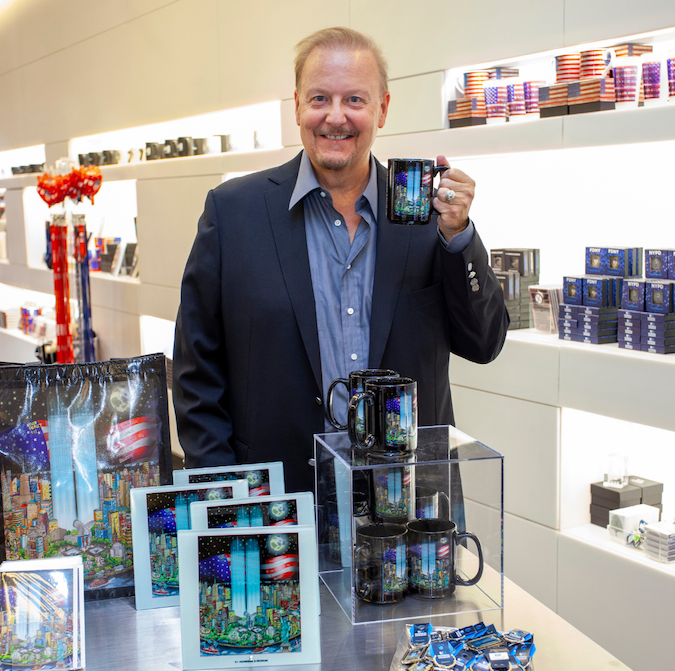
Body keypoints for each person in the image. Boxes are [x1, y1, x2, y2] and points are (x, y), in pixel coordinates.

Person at [173, 27, 509, 493]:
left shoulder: (427, 215)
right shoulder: (233, 214)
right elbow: (196, 374)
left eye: (354, 99)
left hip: (407, 512)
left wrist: (459, 238)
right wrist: (223, 492)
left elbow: (485, 342)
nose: (336, 117)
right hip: (280, 506)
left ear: (382, 109)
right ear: (296, 106)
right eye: (319, 99)